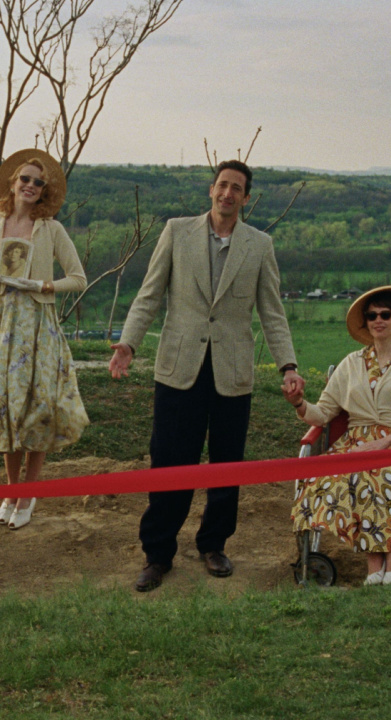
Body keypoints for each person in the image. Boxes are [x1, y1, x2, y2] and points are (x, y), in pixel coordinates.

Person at [110, 159, 304, 592]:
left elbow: (272, 312)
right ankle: (158, 554)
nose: (227, 194)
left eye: (237, 188)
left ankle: (213, 544)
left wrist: (288, 365)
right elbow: (149, 294)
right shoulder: (177, 232)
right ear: (211, 190)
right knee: (169, 463)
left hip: (232, 374)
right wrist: (128, 343)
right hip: (179, 370)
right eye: (222, 185)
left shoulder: (259, 245)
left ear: (246, 198)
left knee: (226, 463)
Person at [0, 149, 90, 530]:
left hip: (37, 326)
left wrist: (42, 284)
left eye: (38, 182)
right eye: (25, 179)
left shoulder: (51, 229)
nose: (30, 186)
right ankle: (11, 491)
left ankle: (29, 493)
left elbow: (78, 278)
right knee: (3, 406)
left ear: (44, 190)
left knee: (36, 406)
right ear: (12, 184)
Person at [282, 286, 391, 586]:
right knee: (331, 476)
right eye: (371, 316)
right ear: (365, 322)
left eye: (385, 314)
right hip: (353, 442)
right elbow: (323, 413)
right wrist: (299, 403)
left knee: (376, 471)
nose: (378, 320)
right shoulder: (350, 363)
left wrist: (387, 442)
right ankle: (378, 562)